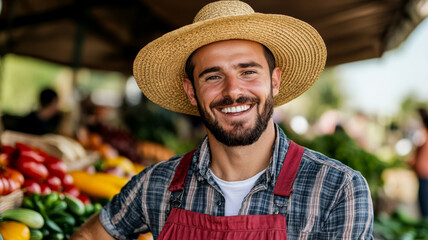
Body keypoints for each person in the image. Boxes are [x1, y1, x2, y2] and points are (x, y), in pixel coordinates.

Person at [72, 1, 373, 239]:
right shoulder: (157, 185)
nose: (233, 91)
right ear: (191, 91)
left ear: (275, 81)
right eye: (213, 76)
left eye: (248, 71)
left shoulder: (337, 189)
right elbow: (89, 235)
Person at [410, 108, 428, 218]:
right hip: (424, 171)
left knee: (424, 201)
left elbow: (417, 150)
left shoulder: (423, 133)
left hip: (423, 171)